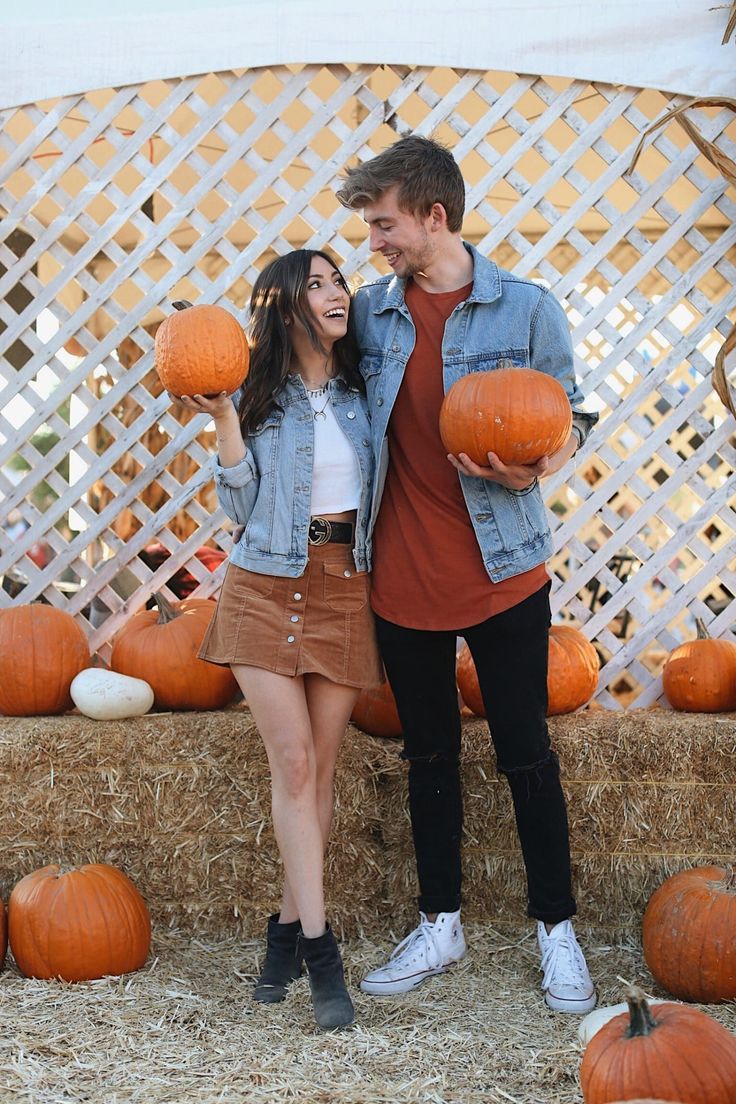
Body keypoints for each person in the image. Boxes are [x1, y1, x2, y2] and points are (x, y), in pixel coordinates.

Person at [336, 136, 598, 1013]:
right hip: (403, 577)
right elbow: (311, 380)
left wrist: (539, 465)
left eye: (384, 224)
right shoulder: (372, 315)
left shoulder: (525, 308)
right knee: (429, 758)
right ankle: (439, 922)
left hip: (505, 572)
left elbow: (572, 417)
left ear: (433, 216)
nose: (375, 242)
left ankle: (555, 931)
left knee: (527, 753)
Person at [177, 249, 382, 1030]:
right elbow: (239, 506)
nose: (336, 294)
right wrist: (225, 418)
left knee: (320, 772)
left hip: (344, 586)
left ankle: (284, 933)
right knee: (292, 761)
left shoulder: (368, 393)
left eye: (340, 282)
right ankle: (323, 955)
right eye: (319, 284)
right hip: (265, 583)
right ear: (289, 306)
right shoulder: (259, 398)